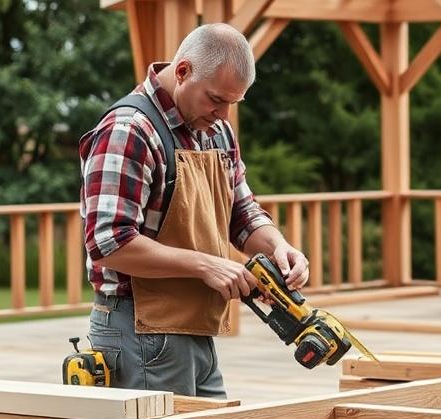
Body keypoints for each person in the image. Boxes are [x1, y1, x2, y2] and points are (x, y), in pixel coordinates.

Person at [79, 23, 309, 397]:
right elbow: (109, 244)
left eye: (234, 103)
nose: (224, 114)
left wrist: (279, 248)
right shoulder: (129, 130)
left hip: (196, 329)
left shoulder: (217, 131)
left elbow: (243, 213)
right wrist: (206, 266)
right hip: (138, 330)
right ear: (183, 71)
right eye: (216, 99)